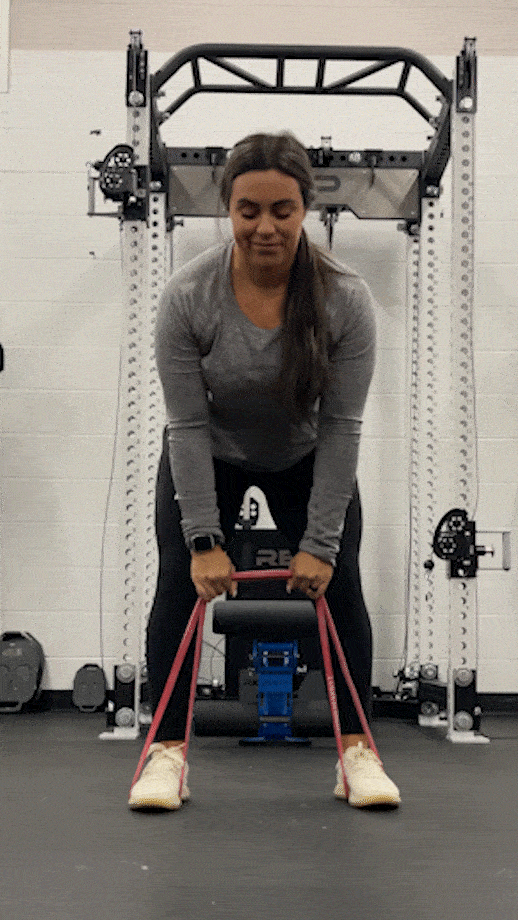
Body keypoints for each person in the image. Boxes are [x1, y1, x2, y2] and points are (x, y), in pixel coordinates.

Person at [129, 131, 401, 811]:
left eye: (282, 209)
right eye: (248, 210)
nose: (265, 226)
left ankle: (357, 753)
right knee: (175, 583)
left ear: (305, 208)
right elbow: (187, 425)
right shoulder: (190, 296)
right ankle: (166, 754)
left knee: (341, 585)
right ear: (228, 209)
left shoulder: (344, 298)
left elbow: (342, 426)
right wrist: (202, 540)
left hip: (307, 452)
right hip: (211, 451)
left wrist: (318, 545)